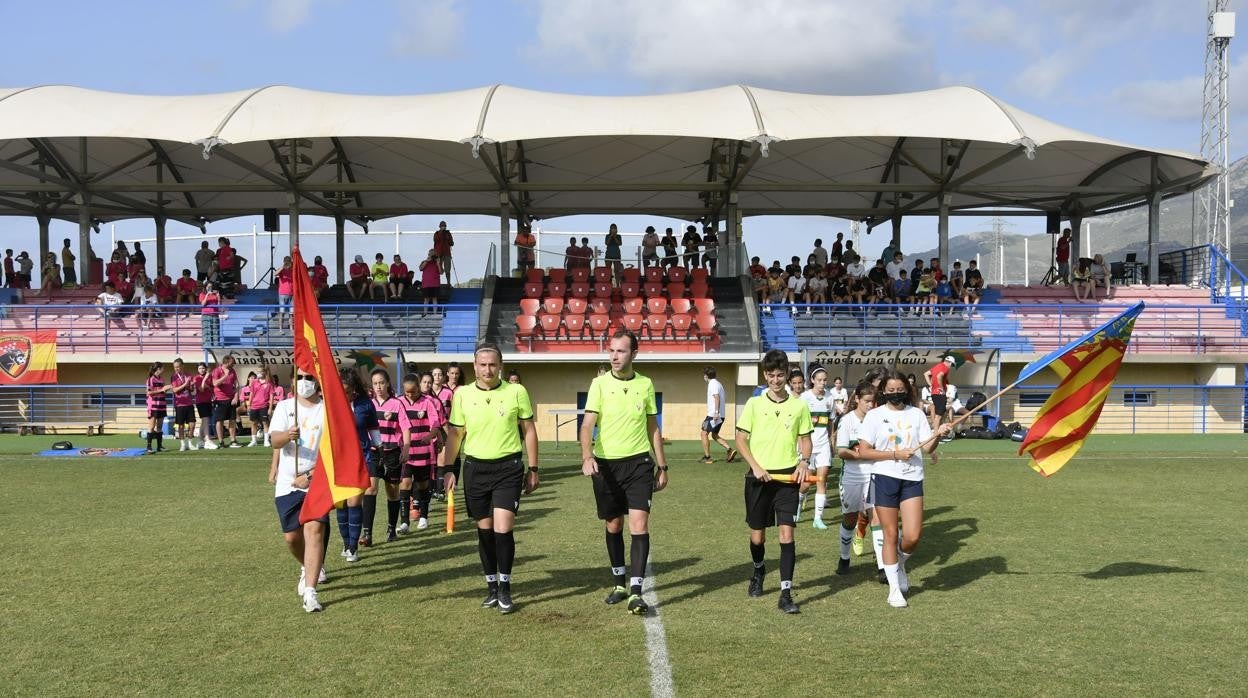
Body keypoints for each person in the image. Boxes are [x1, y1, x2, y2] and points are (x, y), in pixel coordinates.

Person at [443, 343, 539, 614]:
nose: (487, 369)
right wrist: (448, 468)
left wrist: (533, 469)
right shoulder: (462, 395)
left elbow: (529, 431)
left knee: (503, 528)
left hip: (508, 468)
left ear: (500, 366)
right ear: (474, 367)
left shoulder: (516, 391)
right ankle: (491, 587)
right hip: (475, 469)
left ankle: (506, 588)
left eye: (492, 364)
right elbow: (455, 434)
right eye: (482, 364)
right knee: (484, 532)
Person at [579, 331, 668, 615]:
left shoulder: (645, 384)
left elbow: (653, 427)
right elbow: (586, 424)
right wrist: (586, 456)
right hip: (606, 466)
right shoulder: (599, 384)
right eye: (611, 351)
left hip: (639, 464)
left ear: (634, 354)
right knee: (613, 525)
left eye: (621, 351)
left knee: (639, 526)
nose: (615, 356)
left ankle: (636, 591)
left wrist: (662, 465)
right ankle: (619, 583)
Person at [855, 372, 951, 608]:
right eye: (891, 389)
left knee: (912, 537)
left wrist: (938, 434)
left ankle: (899, 562)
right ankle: (894, 589)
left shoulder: (916, 414)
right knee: (889, 534)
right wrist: (895, 454)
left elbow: (928, 448)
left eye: (900, 389)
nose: (896, 393)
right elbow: (864, 451)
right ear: (883, 391)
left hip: (912, 479)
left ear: (907, 390)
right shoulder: (875, 416)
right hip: (884, 477)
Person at [735, 349, 813, 615]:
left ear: (788, 377)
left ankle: (786, 593)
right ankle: (758, 571)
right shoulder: (755, 404)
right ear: (765, 375)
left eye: (781, 375)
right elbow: (740, 439)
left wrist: (804, 462)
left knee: (787, 534)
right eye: (771, 375)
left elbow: (805, 439)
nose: (776, 380)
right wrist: (756, 467)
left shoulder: (799, 405)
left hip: (786, 479)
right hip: (758, 479)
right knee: (757, 538)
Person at [268, 368, 330, 612]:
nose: (305, 382)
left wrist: (311, 475)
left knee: (314, 530)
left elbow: (333, 452)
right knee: (292, 538)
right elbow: (274, 441)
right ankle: (307, 565)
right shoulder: (285, 407)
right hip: (287, 483)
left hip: (317, 481)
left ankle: (311, 592)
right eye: (301, 377)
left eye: (310, 378)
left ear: (317, 380)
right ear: (293, 379)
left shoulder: (327, 410)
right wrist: (287, 435)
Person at [834, 382, 878, 576]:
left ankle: (883, 567)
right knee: (850, 519)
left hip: (875, 475)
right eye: (867, 401)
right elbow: (841, 451)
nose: (871, 405)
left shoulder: (877, 420)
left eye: (873, 401)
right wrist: (862, 455)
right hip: (851, 477)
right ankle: (844, 558)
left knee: (876, 518)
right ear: (858, 399)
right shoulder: (847, 421)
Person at [338, 367, 378, 562]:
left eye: (347, 391)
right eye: (341, 390)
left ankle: (353, 546)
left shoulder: (365, 404)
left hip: (362, 458)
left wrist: (380, 448)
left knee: (354, 502)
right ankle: (345, 543)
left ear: (353, 389)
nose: (343, 394)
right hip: (338, 460)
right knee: (341, 503)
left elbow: (373, 429)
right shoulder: (331, 404)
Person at [369, 369, 412, 542]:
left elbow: (406, 428)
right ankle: (367, 533)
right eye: (375, 383)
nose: (378, 386)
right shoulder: (368, 404)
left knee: (392, 493)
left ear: (387, 383)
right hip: (372, 453)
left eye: (381, 382)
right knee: (370, 488)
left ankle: (391, 529)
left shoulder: (396, 404)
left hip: (392, 453)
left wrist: (406, 449)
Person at [399, 372, 442, 532]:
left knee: (422, 485)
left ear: (419, 388)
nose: (410, 394)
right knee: (405, 483)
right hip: (406, 452)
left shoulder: (427, 402)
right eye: (407, 392)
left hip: (423, 451)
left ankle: (424, 516)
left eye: (413, 391)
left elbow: (435, 423)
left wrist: (431, 436)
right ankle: (404, 522)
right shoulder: (400, 402)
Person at [797, 367, 836, 530]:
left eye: (825, 380)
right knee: (806, 484)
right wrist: (800, 444)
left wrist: (831, 441)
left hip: (823, 445)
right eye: (819, 380)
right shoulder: (804, 398)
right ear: (812, 380)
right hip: (807, 446)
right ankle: (797, 507)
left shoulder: (830, 398)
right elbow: (798, 423)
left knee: (822, 479)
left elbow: (831, 422)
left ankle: (817, 519)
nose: (822, 383)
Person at [700, 367, 737, 463]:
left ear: (707, 375)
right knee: (714, 435)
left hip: (713, 415)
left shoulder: (712, 384)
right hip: (720, 415)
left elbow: (716, 397)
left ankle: (707, 458)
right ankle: (729, 450)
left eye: (704, 375)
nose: (704, 376)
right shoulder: (718, 384)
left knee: (703, 433)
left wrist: (716, 412)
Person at [208, 354, 241, 449]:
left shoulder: (233, 371)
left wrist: (236, 397)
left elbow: (237, 385)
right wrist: (225, 375)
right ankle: (221, 442)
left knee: (232, 420)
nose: (233, 365)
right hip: (220, 400)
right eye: (232, 363)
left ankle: (233, 440)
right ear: (226, 362)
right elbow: (215, 383)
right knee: (219, 421)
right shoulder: (217, 371)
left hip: (231, 399)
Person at [924, 355, 955, 433]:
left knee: (941, 413)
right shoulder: (945, 367)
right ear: (950, 363)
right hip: (939, 394)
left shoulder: (937, 366)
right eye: (952, 364)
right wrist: (941, 388)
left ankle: (937, 431)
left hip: (934, 393)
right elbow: (939, 376)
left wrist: (931, 385)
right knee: (939, 415)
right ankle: (935, 433)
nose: (951, 367)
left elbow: (926, 374)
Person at [144, 362, 170, 454]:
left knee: (159, 427)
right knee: (151, 427)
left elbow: (162, 392)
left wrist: (166, 389)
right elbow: (149, 393)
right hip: (153, 406)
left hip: (162, 405)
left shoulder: (162, 379)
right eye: (162, 368)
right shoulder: (150, 380)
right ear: (158, 369)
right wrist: (162, 390)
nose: (163, 370)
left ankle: (159, 446)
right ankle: (149, 447)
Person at [247, 367, 274, 447]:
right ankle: (254, 441)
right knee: (253, 423)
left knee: (265, 423)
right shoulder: (254, 382)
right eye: (257, 371)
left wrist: (270, 408)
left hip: (264, 406)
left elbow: (271, 396)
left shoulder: (269, 383)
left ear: (264, 372)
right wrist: (249, 404)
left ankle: (266, 441)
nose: (258, 373)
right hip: (254, 406)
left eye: (260, 371)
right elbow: (251, 394)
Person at [193, 362, 214, 448]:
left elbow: (211, 388)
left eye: (203, 368)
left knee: (204, 421)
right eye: (199, 368)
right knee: (205, 419)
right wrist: (205, 379)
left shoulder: (210, 377)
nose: (201, 370)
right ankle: (207, 439)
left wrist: (207, 386)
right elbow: (201, 389)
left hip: (208, 401)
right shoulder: (197, 378)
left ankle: (200, 441)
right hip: (201, 402)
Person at [433, 221, 454, 285]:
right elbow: (435, 240)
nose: (443, 227)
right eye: (442, 226)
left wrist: (447, 236)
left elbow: (451, 243)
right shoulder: (437, 233)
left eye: (444, 226)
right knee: (437, 268)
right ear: (440, 227)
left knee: (447, 269)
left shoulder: (448, 233)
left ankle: (448, 283)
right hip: (439, 254)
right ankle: (436, 282)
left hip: (447, 253)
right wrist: (441, 233)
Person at [275, 257, 294, 329]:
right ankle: (280, 328)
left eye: (288, 262)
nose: (287, 263)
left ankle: (291, 328)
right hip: (282, 294)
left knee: (291, 313)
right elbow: (275, 274)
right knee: (282, 312)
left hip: (291, 294)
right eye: (286, 262)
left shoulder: (292, 270)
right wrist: (283, 267)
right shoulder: (281, 270)